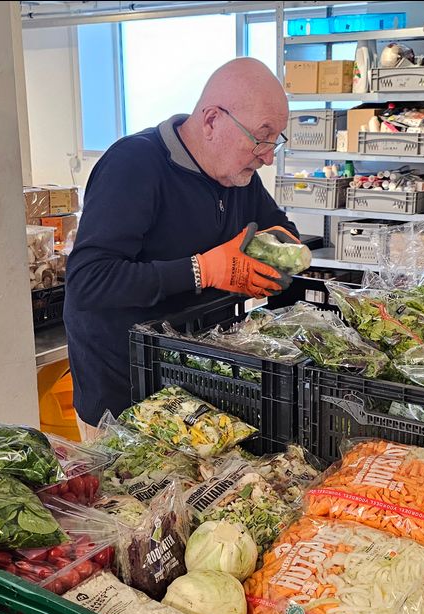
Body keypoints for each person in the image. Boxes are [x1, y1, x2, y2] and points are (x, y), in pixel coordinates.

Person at [64, 57, 300, 438]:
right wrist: (203, 270)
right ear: (211, 121)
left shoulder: (237, 175)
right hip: (126, 398)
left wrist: (258, 262)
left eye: (277, 138)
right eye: (262, 136)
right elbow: (88, 281)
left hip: (200, 388)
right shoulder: (133, 165)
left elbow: (283, 229)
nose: (269, 154)